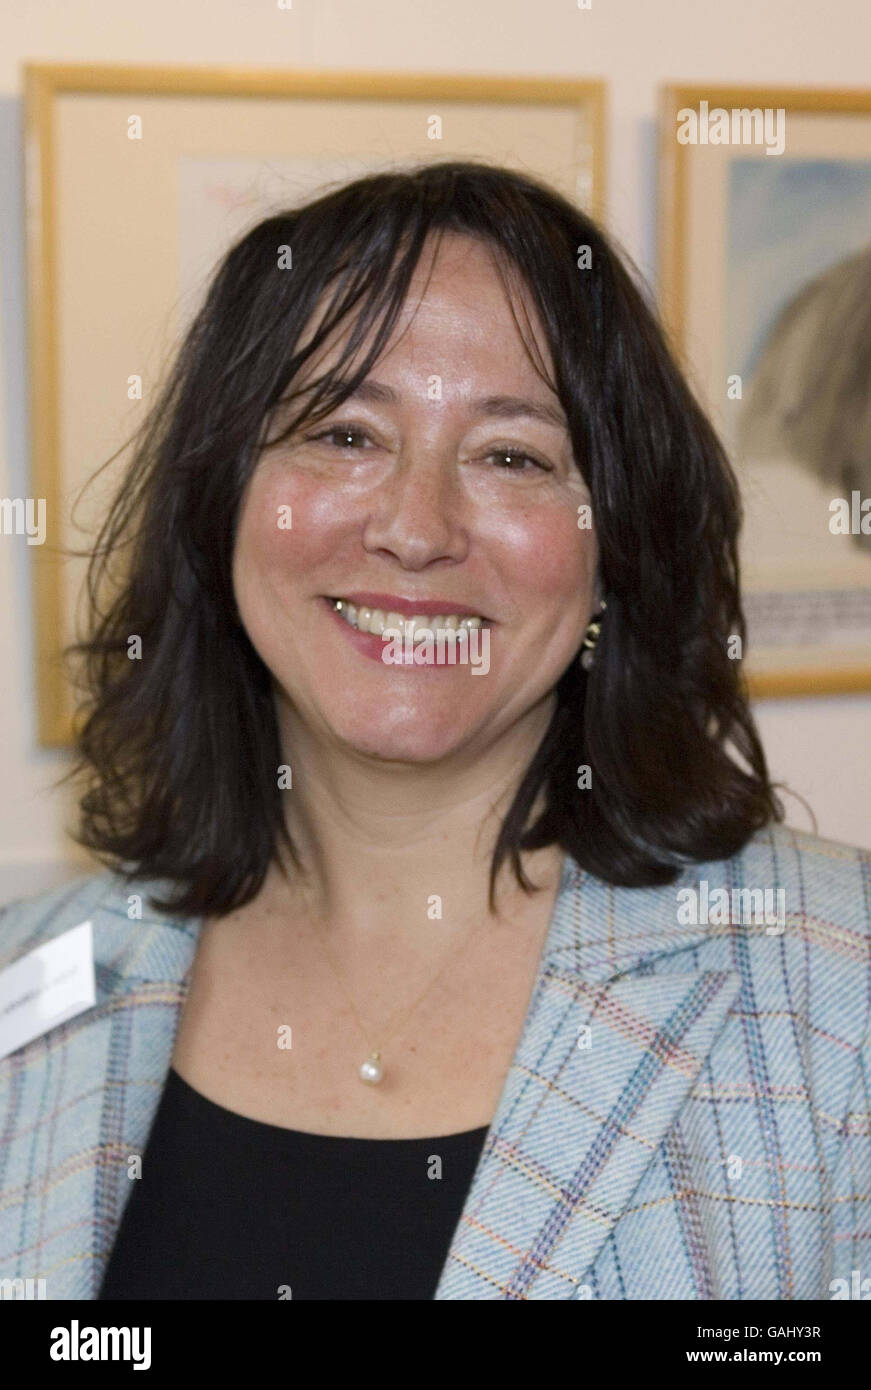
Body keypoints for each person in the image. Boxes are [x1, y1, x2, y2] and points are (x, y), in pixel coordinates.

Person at [0, 161, 868, 1301]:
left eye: (511, 454)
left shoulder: (832, 988)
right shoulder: (34, 984)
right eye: (344, 433)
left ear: (617, 547)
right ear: (220, 504)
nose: (415, 528)